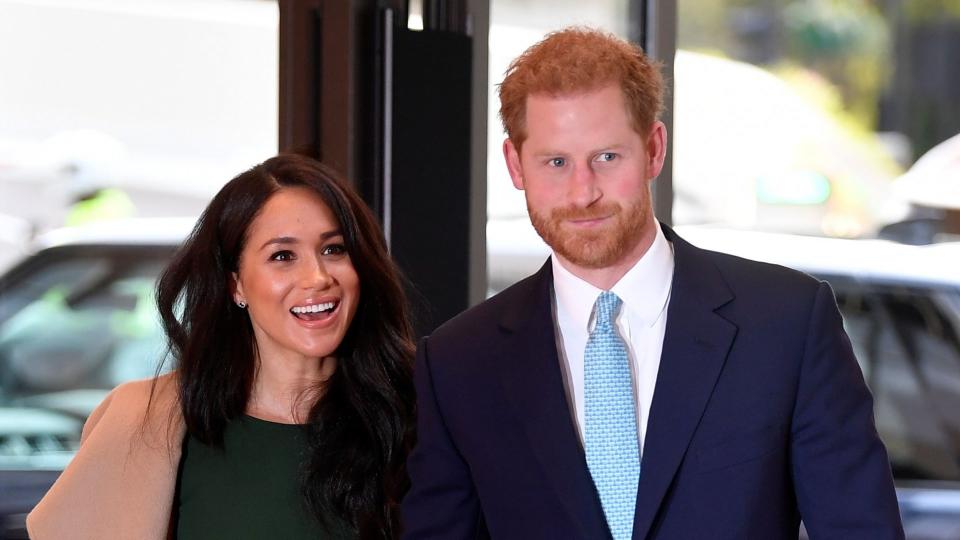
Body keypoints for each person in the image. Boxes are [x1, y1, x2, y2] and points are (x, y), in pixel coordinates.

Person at [402, 27, 904, 539]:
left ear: (654, 149)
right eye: (556, 162)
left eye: (607, 157)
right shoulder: (459, 362)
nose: (583, 192)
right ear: (515, 165)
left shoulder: (786, 324)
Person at [28, 154, 416, 539]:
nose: (317, 277)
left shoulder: (415, 411)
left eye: (334, 249)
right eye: (282, 256)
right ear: (236, 285)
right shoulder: (150, 422)